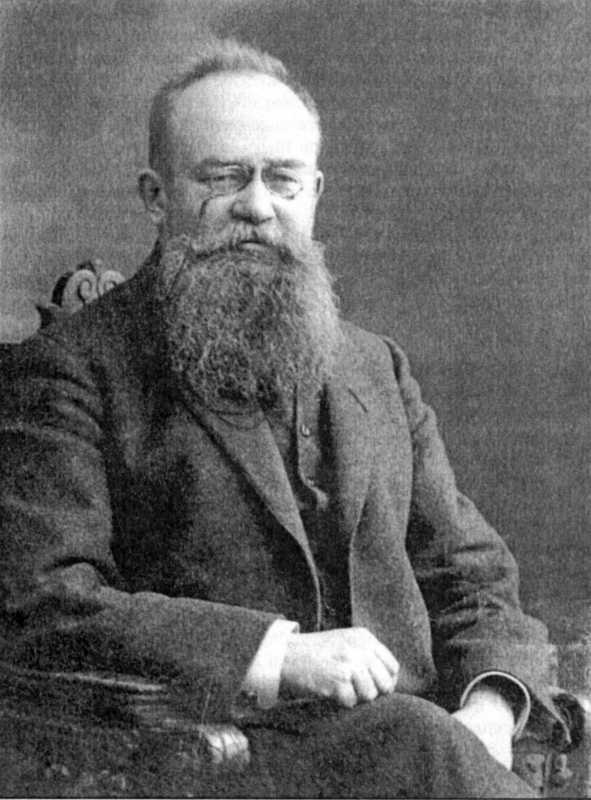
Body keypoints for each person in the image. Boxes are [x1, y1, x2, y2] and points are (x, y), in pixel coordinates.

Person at [0, 38, 572, 798]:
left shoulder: (374, 365)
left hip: (424, 747)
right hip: (216, 758)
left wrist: (492, 705)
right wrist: (276, 654)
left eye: (283, 179)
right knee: (420, 742)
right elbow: (40, 602)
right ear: (155, 195)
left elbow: (469, 573)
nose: (257, 205)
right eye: (223, 177)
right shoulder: (69, 371)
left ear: (315, 193)